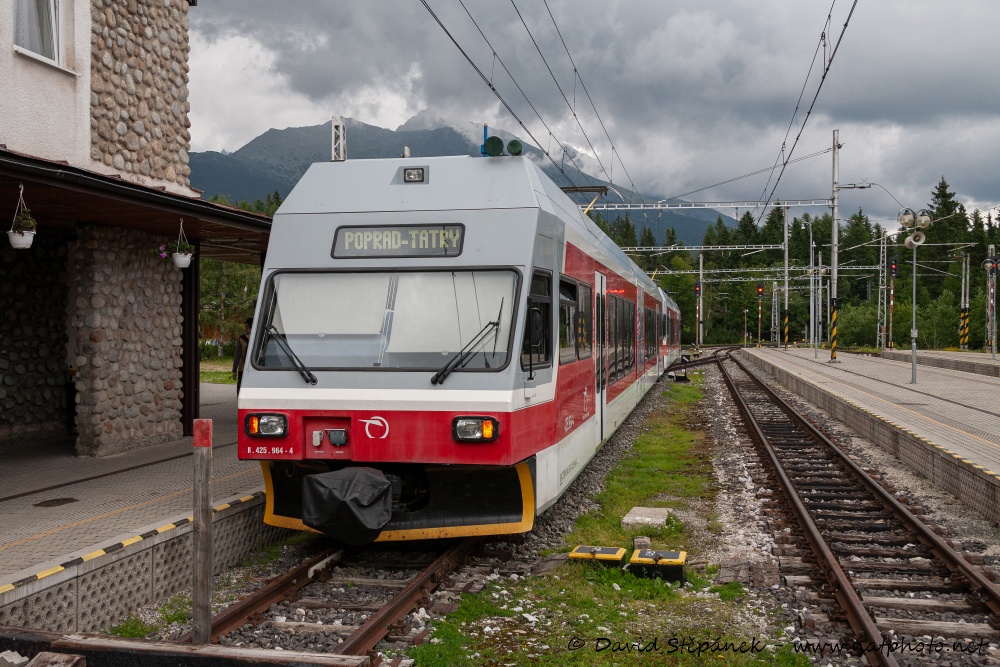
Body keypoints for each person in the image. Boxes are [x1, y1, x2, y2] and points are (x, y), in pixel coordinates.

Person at [232, 318, 252, 393]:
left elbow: (237, 356)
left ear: (247, 325)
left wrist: (234, 370)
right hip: (256, 369)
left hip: (243, 368)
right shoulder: (259, 338)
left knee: (241, 389)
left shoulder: (242, 338)